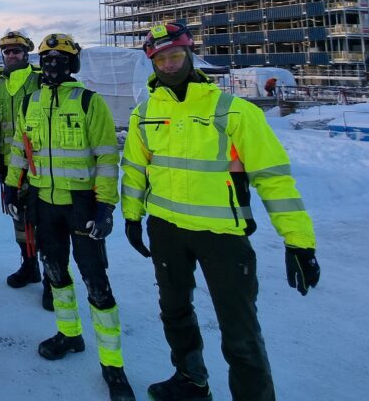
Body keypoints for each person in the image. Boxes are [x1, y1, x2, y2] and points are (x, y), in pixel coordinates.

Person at [122, 22, 320, 401]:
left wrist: (298, 241)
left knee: (240, 331)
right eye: (160, 58)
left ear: (190, 54)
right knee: (175, 312)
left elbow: (274, 179)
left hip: (223, 237)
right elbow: (134, 169)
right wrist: (132, 217)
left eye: (175, 55)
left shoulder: (235, 111)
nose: (168, 64)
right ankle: (190, 379)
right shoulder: (144, 113)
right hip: (166, 230)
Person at [17, 33, 135, 401]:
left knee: (96, 283)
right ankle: (69, 335)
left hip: (82, 206)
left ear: (72, 65)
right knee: (56, 275)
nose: (52, 65)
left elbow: (105, 156)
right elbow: (21, 149)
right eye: (47, 59)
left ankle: (113, 366)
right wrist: (11, 185)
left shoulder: (88, 102)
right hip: (44, 204)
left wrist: (106, 206)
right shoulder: (30, 102)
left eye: (60, 59)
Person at [0, 30, 51, 309]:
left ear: (27, 53)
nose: (12, 55)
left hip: (40, 166)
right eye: (7, 52)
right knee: (19, 219)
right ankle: (29, 266)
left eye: (17, 51)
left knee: (46, 222)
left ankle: (54, 278)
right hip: (9, 164)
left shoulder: (40, 79)